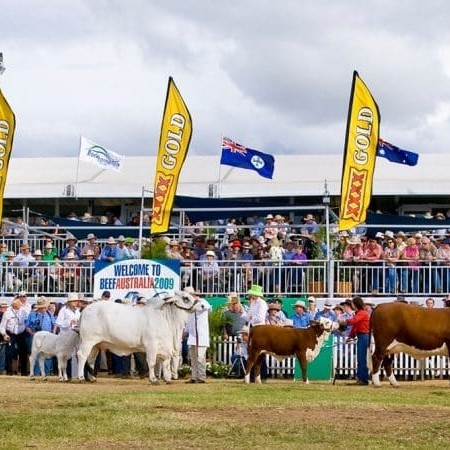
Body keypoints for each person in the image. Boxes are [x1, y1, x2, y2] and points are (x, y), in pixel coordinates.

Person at [339, 296, 370, 385]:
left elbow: (354, 321)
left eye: (352, 303)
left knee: (361, 358)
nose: (351, 305)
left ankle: (363, 379)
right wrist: (350, 337)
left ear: (356, 304)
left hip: (364, 336)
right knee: (360, 358)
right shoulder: (359, 313)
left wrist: (344, 320)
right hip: (361, 336)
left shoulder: (362, 313)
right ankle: (361, 378)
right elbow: (355, 327)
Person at [185, 287, 211, 384]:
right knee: (193, 358)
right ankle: (194, 377)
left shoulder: (203, 301)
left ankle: (201, 377)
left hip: (201, 335)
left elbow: (207, 307)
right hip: (192, 335)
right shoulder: (189, 306)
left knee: (200, 357)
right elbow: (189, 321)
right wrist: (185, 332)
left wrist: (198, 300)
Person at [25, 296, 56, 375]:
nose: (43, 309)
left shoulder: (50, 314)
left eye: (44, 307)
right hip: (36, 337)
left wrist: (53, 334)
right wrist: (33, 334)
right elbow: (27, 326)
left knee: (48, 354)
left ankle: (47, 372)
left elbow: (54, 325)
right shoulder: (32, 314)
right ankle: (36, 372)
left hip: (48, 338)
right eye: (42, 307)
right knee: (36, 354)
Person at [0, 297, 28, 375]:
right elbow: (2, 326)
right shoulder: (7, 313)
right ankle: (9, 371)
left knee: (24, 352)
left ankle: (24, 372)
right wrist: (4, 334)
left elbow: (26, 323)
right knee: (9, 353)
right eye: (19, 303)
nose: (21, 304)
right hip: (11, 335)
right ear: (14, 305)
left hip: (21, 334)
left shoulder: (23, 312)